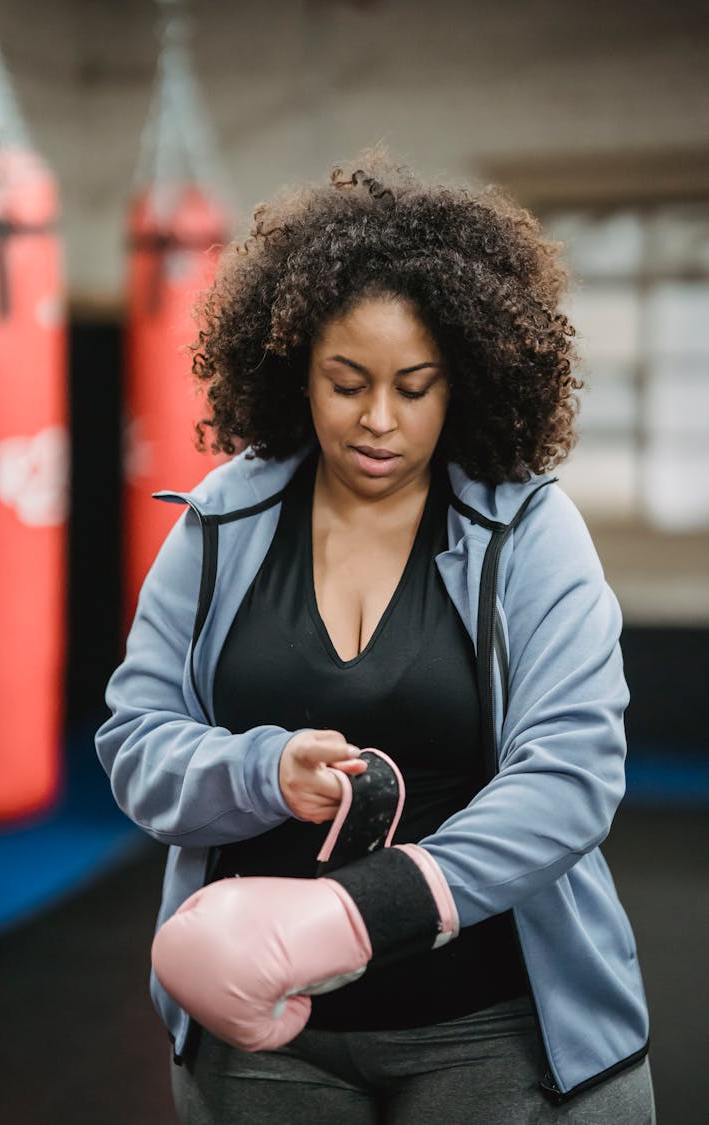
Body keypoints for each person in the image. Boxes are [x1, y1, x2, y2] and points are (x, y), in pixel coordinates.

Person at [96, 155, 656, 1123]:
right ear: (295, 369)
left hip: (494, 1032)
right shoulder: (222, 522)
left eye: (416, 386)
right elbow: (136, 745)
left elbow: (571, 778)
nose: (380, 421)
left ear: (466, 381)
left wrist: (363, 910)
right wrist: (259, 771)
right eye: (346, 382)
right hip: (266, 1041)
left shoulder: (528, 531)